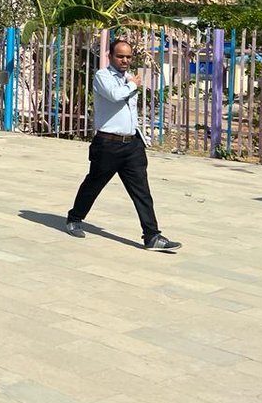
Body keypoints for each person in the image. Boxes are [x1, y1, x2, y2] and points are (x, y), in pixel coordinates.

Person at [66, 39, 182, 251]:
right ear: (110, 56)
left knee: (142, 191)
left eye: (128, 57)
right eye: (120, 56)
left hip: (131, 144)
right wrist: (132, 85)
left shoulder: (129, 78)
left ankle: (152, 235)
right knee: (94, 184)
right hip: (108, 144)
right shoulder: (103, 77)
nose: (125, 61)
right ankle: (74, 217)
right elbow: (114, 96)